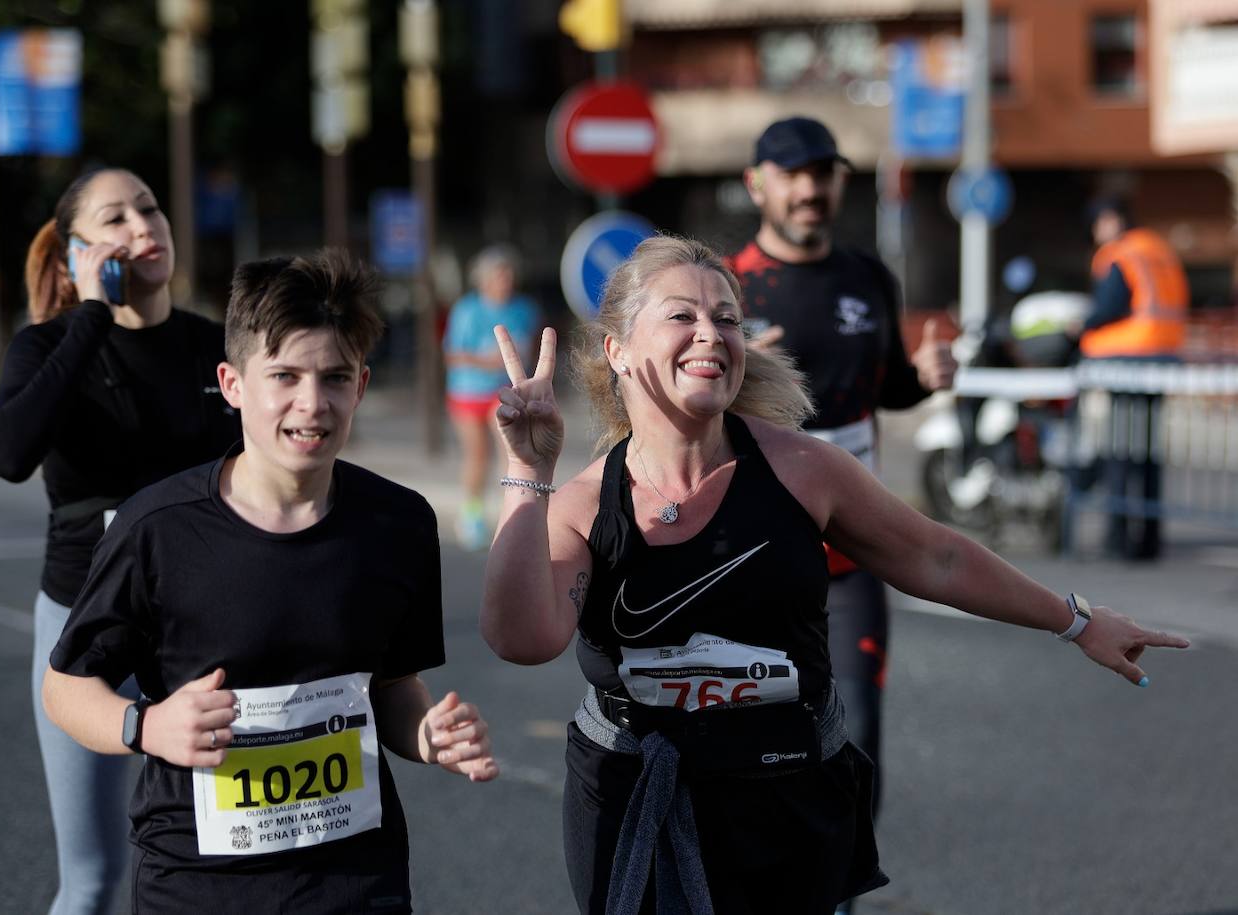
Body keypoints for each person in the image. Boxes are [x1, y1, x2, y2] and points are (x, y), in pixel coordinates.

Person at [479, 235, 1187, 915]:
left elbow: (935, 555)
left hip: (786, 801)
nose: (710, 333)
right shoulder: (581, 504)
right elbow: (522, 637)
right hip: (637, 802)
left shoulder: (802, 468)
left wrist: (1078, 620)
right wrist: (526, 469)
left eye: (727, 318)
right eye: (681, 316)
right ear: (619, 352)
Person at [42, 250, 498, 913]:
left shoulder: (397, 522)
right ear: (232, 383)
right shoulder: (157, 529)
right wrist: (147, 724)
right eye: (284, 375)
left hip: (355, 880)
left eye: (335, 377)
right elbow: (65, 687)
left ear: (361, 386)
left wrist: (428, 733)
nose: (311, 404)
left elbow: (393, 688)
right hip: (197, 885)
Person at [0, 168, 242, 914]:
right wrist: (93, 315)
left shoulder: (213, 348)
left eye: (150, 208)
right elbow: (7, 453)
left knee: (223, 862)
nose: (142, 225)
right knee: (92, 880)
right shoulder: (50, 347)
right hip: (82, 631)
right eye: (117, 218)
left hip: (203, 631)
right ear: (78, 254)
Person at [726, 116, 957, 835]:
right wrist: (731, 372)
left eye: (821, 174)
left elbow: (885, 385)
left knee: (856, 741)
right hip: (747, 558)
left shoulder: (866, 277)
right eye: (791, 175)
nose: (808, 190)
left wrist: (921, 379)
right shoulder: (726, 287)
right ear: (755, 183)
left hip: (852, 557)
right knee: (752, 749)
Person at [1074, 196, 1189, 559]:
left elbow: (1107, 307)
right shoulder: (1158, 248)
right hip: (1163, 355)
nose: (1097, 232)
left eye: (1098, 223)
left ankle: (1120, 537)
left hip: (1126, 358)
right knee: (1149, 451)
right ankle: (1150, 539)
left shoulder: (1121, 253)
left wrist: (1078, 326)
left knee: (1123, 449)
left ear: (1111, 220)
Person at [443, 244, 539, 549]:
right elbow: (453, 355)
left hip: (504, 391)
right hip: (468, 391)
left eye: (509, 274)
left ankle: (511, 512)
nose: (505, 281)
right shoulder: (468, 309)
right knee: (478, 455)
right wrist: (488, 361)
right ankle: (471, 515)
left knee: (511, 453)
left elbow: (532, 349)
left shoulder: (524, 309)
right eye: (499, 275)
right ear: (483, 279)